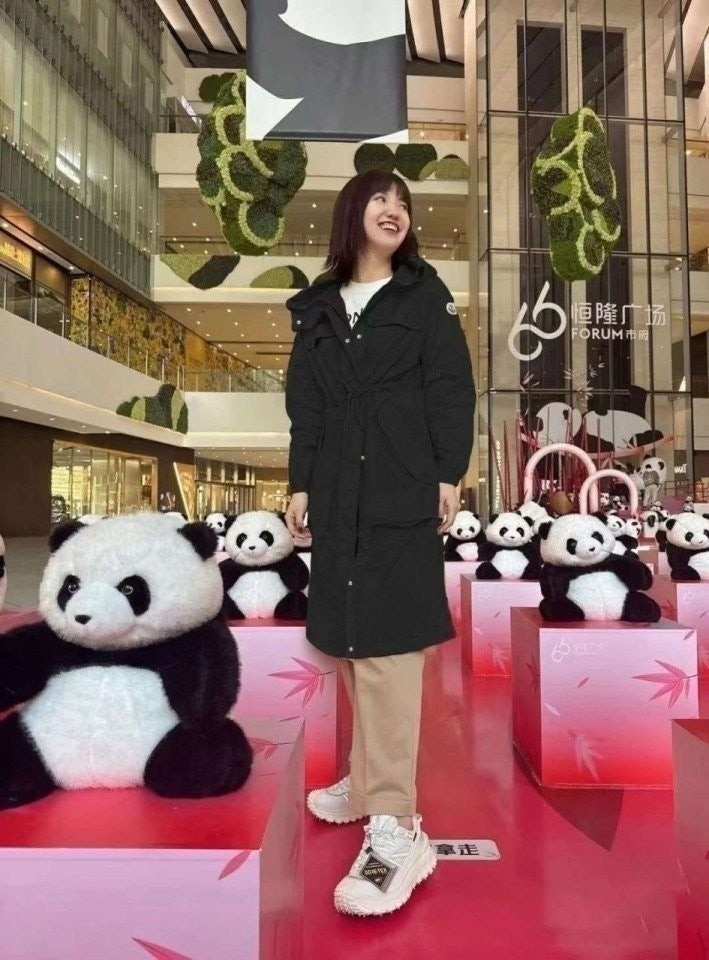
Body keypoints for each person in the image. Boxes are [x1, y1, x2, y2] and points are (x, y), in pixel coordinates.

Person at [284, 169, 476, 917]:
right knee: (352, 640)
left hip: (401, 484)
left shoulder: (423, 297)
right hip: (339, 492)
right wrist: (302, 482)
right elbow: (306, 407)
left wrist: (447, 471)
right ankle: (364, 782)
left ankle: (396, 825)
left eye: (403, 203)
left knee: (391, 650)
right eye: (380, 199)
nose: (394, 210)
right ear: (351, 213)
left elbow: (450, 386)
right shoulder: (319, 307)